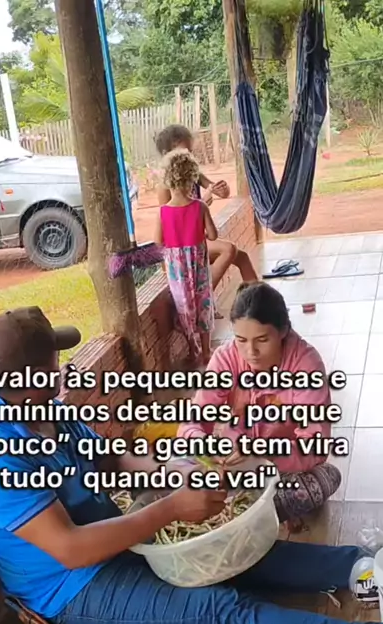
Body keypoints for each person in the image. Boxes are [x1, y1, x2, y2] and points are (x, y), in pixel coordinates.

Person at [0, 306, 383, 624]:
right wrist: (172, 508)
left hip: (117, 540)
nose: (61, 367)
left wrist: (172, 471)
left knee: (239, 553)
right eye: (54, 363)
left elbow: (110, 459)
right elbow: (71, 549)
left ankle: (363, 565)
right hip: (72, 588)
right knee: (221, 609)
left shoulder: (48, 411)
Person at [178, 282, 342, 524]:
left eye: (262, 339)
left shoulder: (306, 365)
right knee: (175, 464)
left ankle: (236, 516)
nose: (250, 351)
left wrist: (263, 451)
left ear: (283, 331)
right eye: (241, 339)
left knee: (326, 478)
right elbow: (191, 423)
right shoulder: (226, 359)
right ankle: (248, 515)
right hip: (232, 465)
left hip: (282, 467)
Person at [155, 124, 259, 308]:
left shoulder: (192, 173)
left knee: (242, 257)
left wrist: (221, 189)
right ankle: (203, 298)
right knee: (229, 249)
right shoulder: (165, 186)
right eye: (184, 151)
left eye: (190, 151)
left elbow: (220, 192)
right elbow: (171, 223)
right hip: (182, 247)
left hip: (197, 241)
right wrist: (202, 203)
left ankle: (260, 303)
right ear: (167, 154)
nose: (188, 156)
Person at [154, 149, 218, 365]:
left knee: (184, 307)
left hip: (177, 271)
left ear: (167, 181)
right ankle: (207, 351)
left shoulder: (162, 212)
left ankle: (193, 350)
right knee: (203, 305)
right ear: (192, 178)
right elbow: (213, 235)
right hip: (199, 267)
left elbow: (158, 241)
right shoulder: (200, 207)